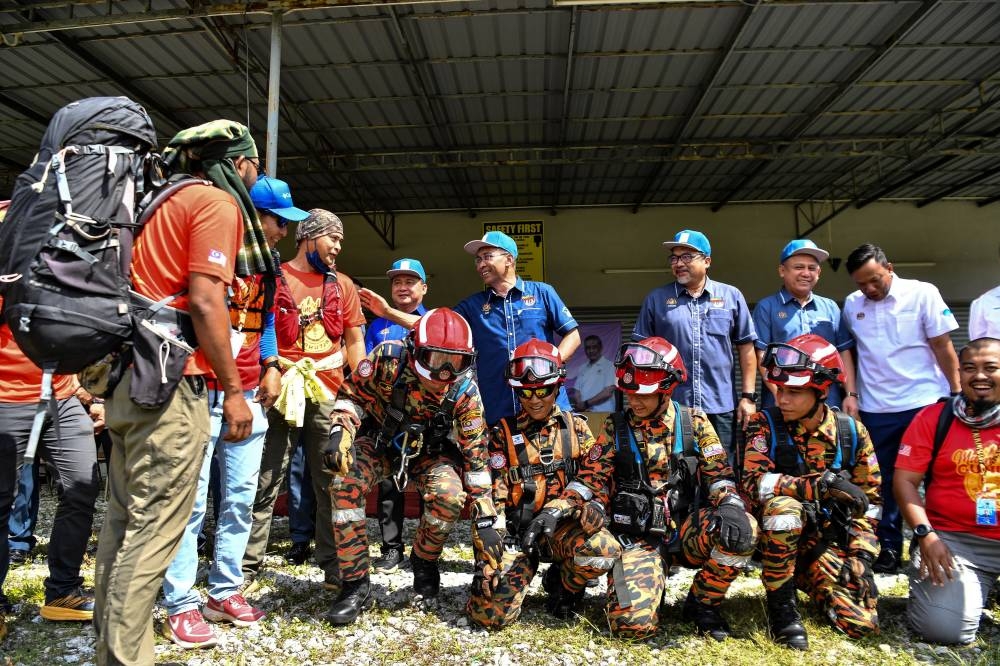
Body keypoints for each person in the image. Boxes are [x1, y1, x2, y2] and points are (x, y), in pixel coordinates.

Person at [94, 120, 261, 666]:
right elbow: (207, 301)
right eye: (254, 169)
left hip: (126, 381)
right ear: (236, 164)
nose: (255, 181)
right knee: (156, 527)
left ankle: (112, 646)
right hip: (170, 386)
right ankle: (125, 658)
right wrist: (233, 392)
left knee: (123, 522)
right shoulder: (214, 204)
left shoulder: (151, 202)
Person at [159, 175, 308, 648]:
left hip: (248, 391)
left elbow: (263, 322)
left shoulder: (266, 270)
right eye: (277, 221)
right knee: (192, 500)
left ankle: (224, 591)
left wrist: (270, 364)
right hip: (200, 388)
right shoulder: (209, 254)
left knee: (241, 497)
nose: (283, 232)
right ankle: (179, 602)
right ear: (250, 216)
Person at [533, 337, 756, 639]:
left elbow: (720, 476)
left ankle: (704, 603)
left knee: (745, 528)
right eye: (629, 393)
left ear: (667, 389)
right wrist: (560, 509)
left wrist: (730, 504)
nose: (635, 401)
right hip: (638, 539)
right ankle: (631, 583)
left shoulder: (694, 423)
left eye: (644, 395)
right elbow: (589, 480)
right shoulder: (616, 427)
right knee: (632, 628)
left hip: (684, 532)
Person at [322, 308, 492, 625]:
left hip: (430, 452)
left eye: (454, 362)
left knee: (449, 496)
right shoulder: (387, 358)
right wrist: (339, 433)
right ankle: (355, 582)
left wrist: (486, 512)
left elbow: (476, 453)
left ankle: (424, 560)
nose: (444, 372)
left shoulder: (465, 390)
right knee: (344, 483)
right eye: (435, 358)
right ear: (414, 350)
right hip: (381, 442)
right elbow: (351, 395)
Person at [242, 208, 366, 589]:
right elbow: (260, 328)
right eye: (333, 238)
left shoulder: (342, 284)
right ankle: (245, 566)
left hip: (328, 390)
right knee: (264, 477)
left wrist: (360, 387)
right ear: (308, 237)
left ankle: (334, 564)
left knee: (331, 476)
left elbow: (354, 339)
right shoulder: (274, 278)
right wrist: (269, 369)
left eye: (341, 241)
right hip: (277, 389)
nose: (338, 248)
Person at [466, 339, 620, 627]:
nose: (535, 400)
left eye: (543, 391)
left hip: (562, 532)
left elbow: (596, 477)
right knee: (488, 616)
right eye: (526, 393)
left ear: (558, 387)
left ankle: (565, 583)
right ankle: (518, 575)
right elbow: (491, 496)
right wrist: (484, 558)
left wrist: (592, 504)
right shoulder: (501, 435)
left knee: (604, 549)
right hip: (519, 537)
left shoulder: (577, 428)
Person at [742, 334, 882, 650]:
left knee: (862, 624)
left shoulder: (851, 432)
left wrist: (861, 554)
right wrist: (819, 485)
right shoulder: (763, 424)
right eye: (779, 390)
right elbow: (753, 482)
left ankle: (811, 577)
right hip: (777, 539)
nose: (781, 399)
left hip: (824, 540)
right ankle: (782, 607)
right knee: (783, 508)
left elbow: (870, 500)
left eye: (793, 392)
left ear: (821, 390)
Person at [358, 231, 580, 425]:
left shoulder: (542, 293)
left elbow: (573, 335)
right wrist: (387, 312)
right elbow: (435, 329)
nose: (480, 264)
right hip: (497, 410)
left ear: (509, 259)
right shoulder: (472, 306)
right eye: (477, 259)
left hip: (547, 401)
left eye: (487, 257)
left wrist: (548, 368)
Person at [843, 243, 960, 573]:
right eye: (861, 283)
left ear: (889, 267)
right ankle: (889, 547)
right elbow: (850, 353)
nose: (869, 288)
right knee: (885, 481)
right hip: (877, 407)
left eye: (874, 280)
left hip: (925, 401)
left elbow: (942, 345)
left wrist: (956, 393)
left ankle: (931, 543)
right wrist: (853, 394)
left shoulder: (923, 293)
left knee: (936, 478)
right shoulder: (853, 305)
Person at [895, 337, 1000, 645]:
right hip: (955, 543)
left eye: (990, 368)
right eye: (969, 368)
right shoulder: (934, 418)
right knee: (945, 631)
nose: (979, 376)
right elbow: (904, 482)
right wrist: (926, 535)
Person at [0, 325, 100, 625]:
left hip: (61, 396)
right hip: (6, 397)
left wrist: (86, 390)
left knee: (82, 486)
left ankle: (62, 591)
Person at [632, 229, 757, 464]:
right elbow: (640, 354)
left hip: (720, 406)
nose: (679, 263)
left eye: (687, 257)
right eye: (674, 258)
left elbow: (746, 348)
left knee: (721, 471)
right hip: (672, 408)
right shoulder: (657, 299)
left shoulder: (731, 296)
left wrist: (748, 397)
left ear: (707, 261)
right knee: (675, 472)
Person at [364, 258, 429, 573]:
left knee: (431, 484)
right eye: (397, 282)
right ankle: (391, 549)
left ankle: (427, 551)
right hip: (388, 419)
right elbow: (364, 369)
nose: (402, 287)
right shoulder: (376, 325)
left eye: (410, 281)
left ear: (424, 288)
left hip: (426, 418)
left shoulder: (433, 321)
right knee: (390, 484)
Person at [752, 239, 859, 414]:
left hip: (827, 401)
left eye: (812, 268)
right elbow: (762, 356)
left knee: (827, 442)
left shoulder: (830, 307)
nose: (806, 273)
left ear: (819, 272)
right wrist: (779, 395)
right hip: (782, 403)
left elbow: (843, 352)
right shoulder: (767, 307)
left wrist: (851, 394)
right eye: (799, 267)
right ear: (782, 271)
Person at [569, 335, 616, 412]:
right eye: (588, 348)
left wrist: (586, 404)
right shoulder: (582, 368)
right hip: (585, 413)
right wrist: (580, 404)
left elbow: (608, 392)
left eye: (594, 347)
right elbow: (577, 390)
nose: (591, 351)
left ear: (600, 348)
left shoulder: (610, 366)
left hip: (604, 413)